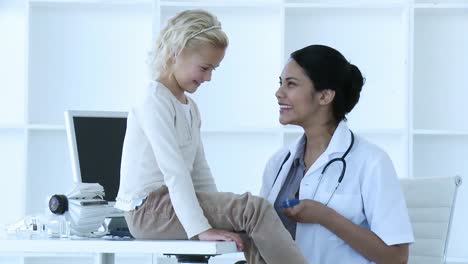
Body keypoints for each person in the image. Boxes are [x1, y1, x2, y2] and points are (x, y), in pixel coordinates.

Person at [114, 9, 307, 264]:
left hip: (169, 206)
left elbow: (199, 170)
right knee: (254, 209)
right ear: (175, 52)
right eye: (204, 68)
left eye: (213, 69)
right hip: (148, 211)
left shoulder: (189, 107)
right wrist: (201, 228)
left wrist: (219, 215)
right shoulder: (154, 100)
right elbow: (174, 171)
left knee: (248, 226)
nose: (208, 77)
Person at [260, 44, 414, 264]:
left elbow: (396, 257)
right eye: (280, 83)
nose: (279, 93)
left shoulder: (371, 162)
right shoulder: (278, 163)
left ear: (324, 96)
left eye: (291, 84)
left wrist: (324, 216)